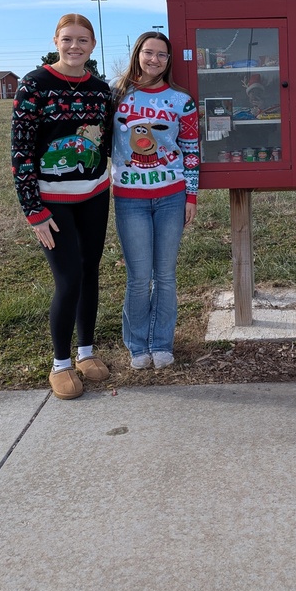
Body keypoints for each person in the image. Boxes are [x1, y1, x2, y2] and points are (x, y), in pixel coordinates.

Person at [11, 14, 113, 399]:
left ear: (92, 45)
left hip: (94, 195)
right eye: (68, 39)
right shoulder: (34, 86)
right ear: (56, 40)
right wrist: (33, 211)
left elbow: (104, 141)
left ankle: (86, 351)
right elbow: (21, 152)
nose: (75, 46)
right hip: (52, 203)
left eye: (83, 40)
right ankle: (61, 364)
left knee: (90, 272)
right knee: (68, 278)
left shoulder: (101, 90)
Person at [111, 31, 200, 369]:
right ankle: (137, 346)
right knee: (138, 277)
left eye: (162, 55)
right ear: (138, 55)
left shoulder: (181, 100)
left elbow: (191, 151)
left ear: (169, 61)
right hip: (130, 199)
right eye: (149, 53)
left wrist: (191, 194)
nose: (155, 60)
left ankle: (161, 342)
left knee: (165, 274)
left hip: (171, 197)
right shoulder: (117, 95)